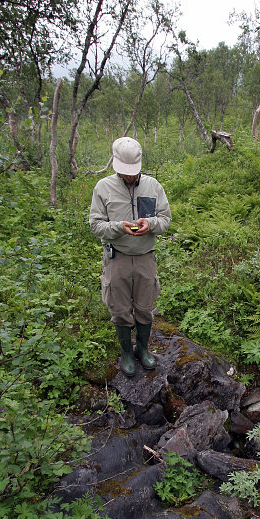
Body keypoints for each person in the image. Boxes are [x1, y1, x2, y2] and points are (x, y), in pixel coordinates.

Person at [89, 136, 172, 376]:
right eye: (125, 173)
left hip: (146, 257)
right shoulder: (103, 188)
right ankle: (127, 352)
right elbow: (95, 225)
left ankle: (142, 350)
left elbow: (165, 220)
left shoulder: (153, 186)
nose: (129, 177)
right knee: (119, 308)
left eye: (132, 172)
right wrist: (117, 227)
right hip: (118, 259)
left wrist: (151, 224)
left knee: (145, 308)